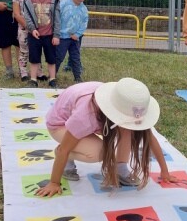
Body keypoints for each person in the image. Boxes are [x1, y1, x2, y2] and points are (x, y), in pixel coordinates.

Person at [35, 77, 175, 195]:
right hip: (61, 125)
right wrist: (54, 183)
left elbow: (150, 138)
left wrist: (165, 171)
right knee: (99, 152)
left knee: (129, 129)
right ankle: (67, 162)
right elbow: (64, 149)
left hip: (88, 119)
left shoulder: (125, 103)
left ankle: (120, 169)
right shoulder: (85, 116)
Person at [23, 0, 60, 88]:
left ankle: (52, 79)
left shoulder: (54, 0)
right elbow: (27, 16)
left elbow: (57, 19)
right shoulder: (29, 0)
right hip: (35, 35)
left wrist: (56, 35)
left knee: (51, 58)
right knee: (34, 58)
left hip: (49, 36)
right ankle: (33, 79)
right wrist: (32, 29)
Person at [56, 0, 88, 83]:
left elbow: (84, 23)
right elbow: (57, 16)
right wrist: (56, 32)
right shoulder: (63, 3)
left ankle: (77, 77)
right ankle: (52, 75)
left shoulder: (84, 9)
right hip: (63, 37)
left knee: (75, 58)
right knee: (59, 56)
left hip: (75, 38)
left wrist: (78, 34)